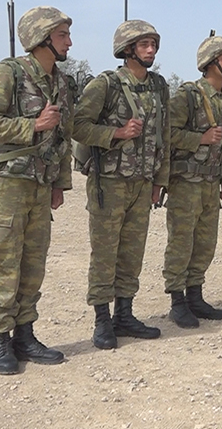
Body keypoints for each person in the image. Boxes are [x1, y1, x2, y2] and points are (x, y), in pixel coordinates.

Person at [0, 5, 74, 375]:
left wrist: (60, 182)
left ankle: (25, 335)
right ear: (42, 38)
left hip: (40, 184)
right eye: (62, 35)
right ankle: (0, 340)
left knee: (34, 262)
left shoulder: (61, 81)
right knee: (6, 262)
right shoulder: (8, 72)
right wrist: (32, 125)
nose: (69, 42)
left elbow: (63, 134)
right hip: (9, 183)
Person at [72, 20, 169, 349]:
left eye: (153, 44)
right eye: (144, 45)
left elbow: (163, 136)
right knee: (105, 253)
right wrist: (117, 133)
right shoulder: (106, 84)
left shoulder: (158, 85)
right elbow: (78, 126)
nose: (151, 49)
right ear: (127, 50)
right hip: (109, 182)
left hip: (142, 183)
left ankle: (124, 314)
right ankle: (102, 319)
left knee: (132, 252)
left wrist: (160, 179)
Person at [163, 34, 222, 328]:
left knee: (205, 243)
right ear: (209, 64)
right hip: (186, 181)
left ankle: (195, 295)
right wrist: (200, 139)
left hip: (209, 182)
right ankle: (177, 301)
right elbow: (166, 133)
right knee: (182, 241)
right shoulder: (188, 95)